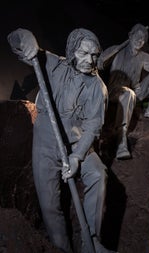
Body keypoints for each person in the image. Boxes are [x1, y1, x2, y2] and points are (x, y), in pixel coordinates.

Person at [7, 28, 115, 253]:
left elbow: (94, 126)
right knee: (49, 206)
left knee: (98, 173)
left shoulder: (97, 87)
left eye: (94, 55)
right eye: (84, 53)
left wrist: (77, 156)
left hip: (76, 143)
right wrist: (24, 36)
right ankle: (61, 248)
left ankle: (91, 241)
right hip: (46, 144)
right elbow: (15, 42)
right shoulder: (54, 64)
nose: (90, 60)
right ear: (72, 49)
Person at [97, 23, 149, 160]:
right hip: (116, 91)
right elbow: (100, 64)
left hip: (136, 92)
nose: (140, 41)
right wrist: (110, 53)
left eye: (143, 39)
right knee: (127, 93)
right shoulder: (117, 50)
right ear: (130, 36)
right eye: (137, 37)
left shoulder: (143, 56)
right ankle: (121, 141)